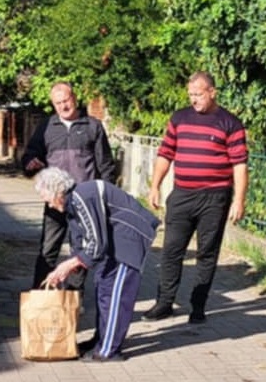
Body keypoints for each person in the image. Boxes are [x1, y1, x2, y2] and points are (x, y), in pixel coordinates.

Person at [143, 71, 248, 324]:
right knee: (171, 250)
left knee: (207, 253)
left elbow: (240, 165)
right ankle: (164, 303)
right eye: (190, 95)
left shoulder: (230, 123)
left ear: (212, 92)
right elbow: (165, 154)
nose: (194, 100)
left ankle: (198, 306)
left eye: (198, 94)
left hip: (214, 198)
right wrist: (155, 186)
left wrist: (239, 200)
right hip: (182, 195)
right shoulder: (179, 118)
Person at [36, 167, 161, 362]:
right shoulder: (72, 206)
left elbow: (96, 243)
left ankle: (109, 350)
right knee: (102, 287)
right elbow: (81, 244)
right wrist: (66, 270)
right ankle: (100, 339)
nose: (50, 205)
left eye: (48, 199)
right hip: (112, 246)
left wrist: (68, 266)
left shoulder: (82, 197)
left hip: (127, 242)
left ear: (57, 192)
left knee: (116, 295)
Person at [21, 81, 116, 291]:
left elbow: (106, 165)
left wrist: (106, 198)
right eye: (58, 103)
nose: (63, 106)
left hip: (84, 202)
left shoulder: (92, 126)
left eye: (66, 101)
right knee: (47, 250)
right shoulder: (46, 127)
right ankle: (40, 293)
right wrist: (30, 164)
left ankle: (74, 296)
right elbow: (28, 158)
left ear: (74, 98)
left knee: (80, 250)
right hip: (55, 202)